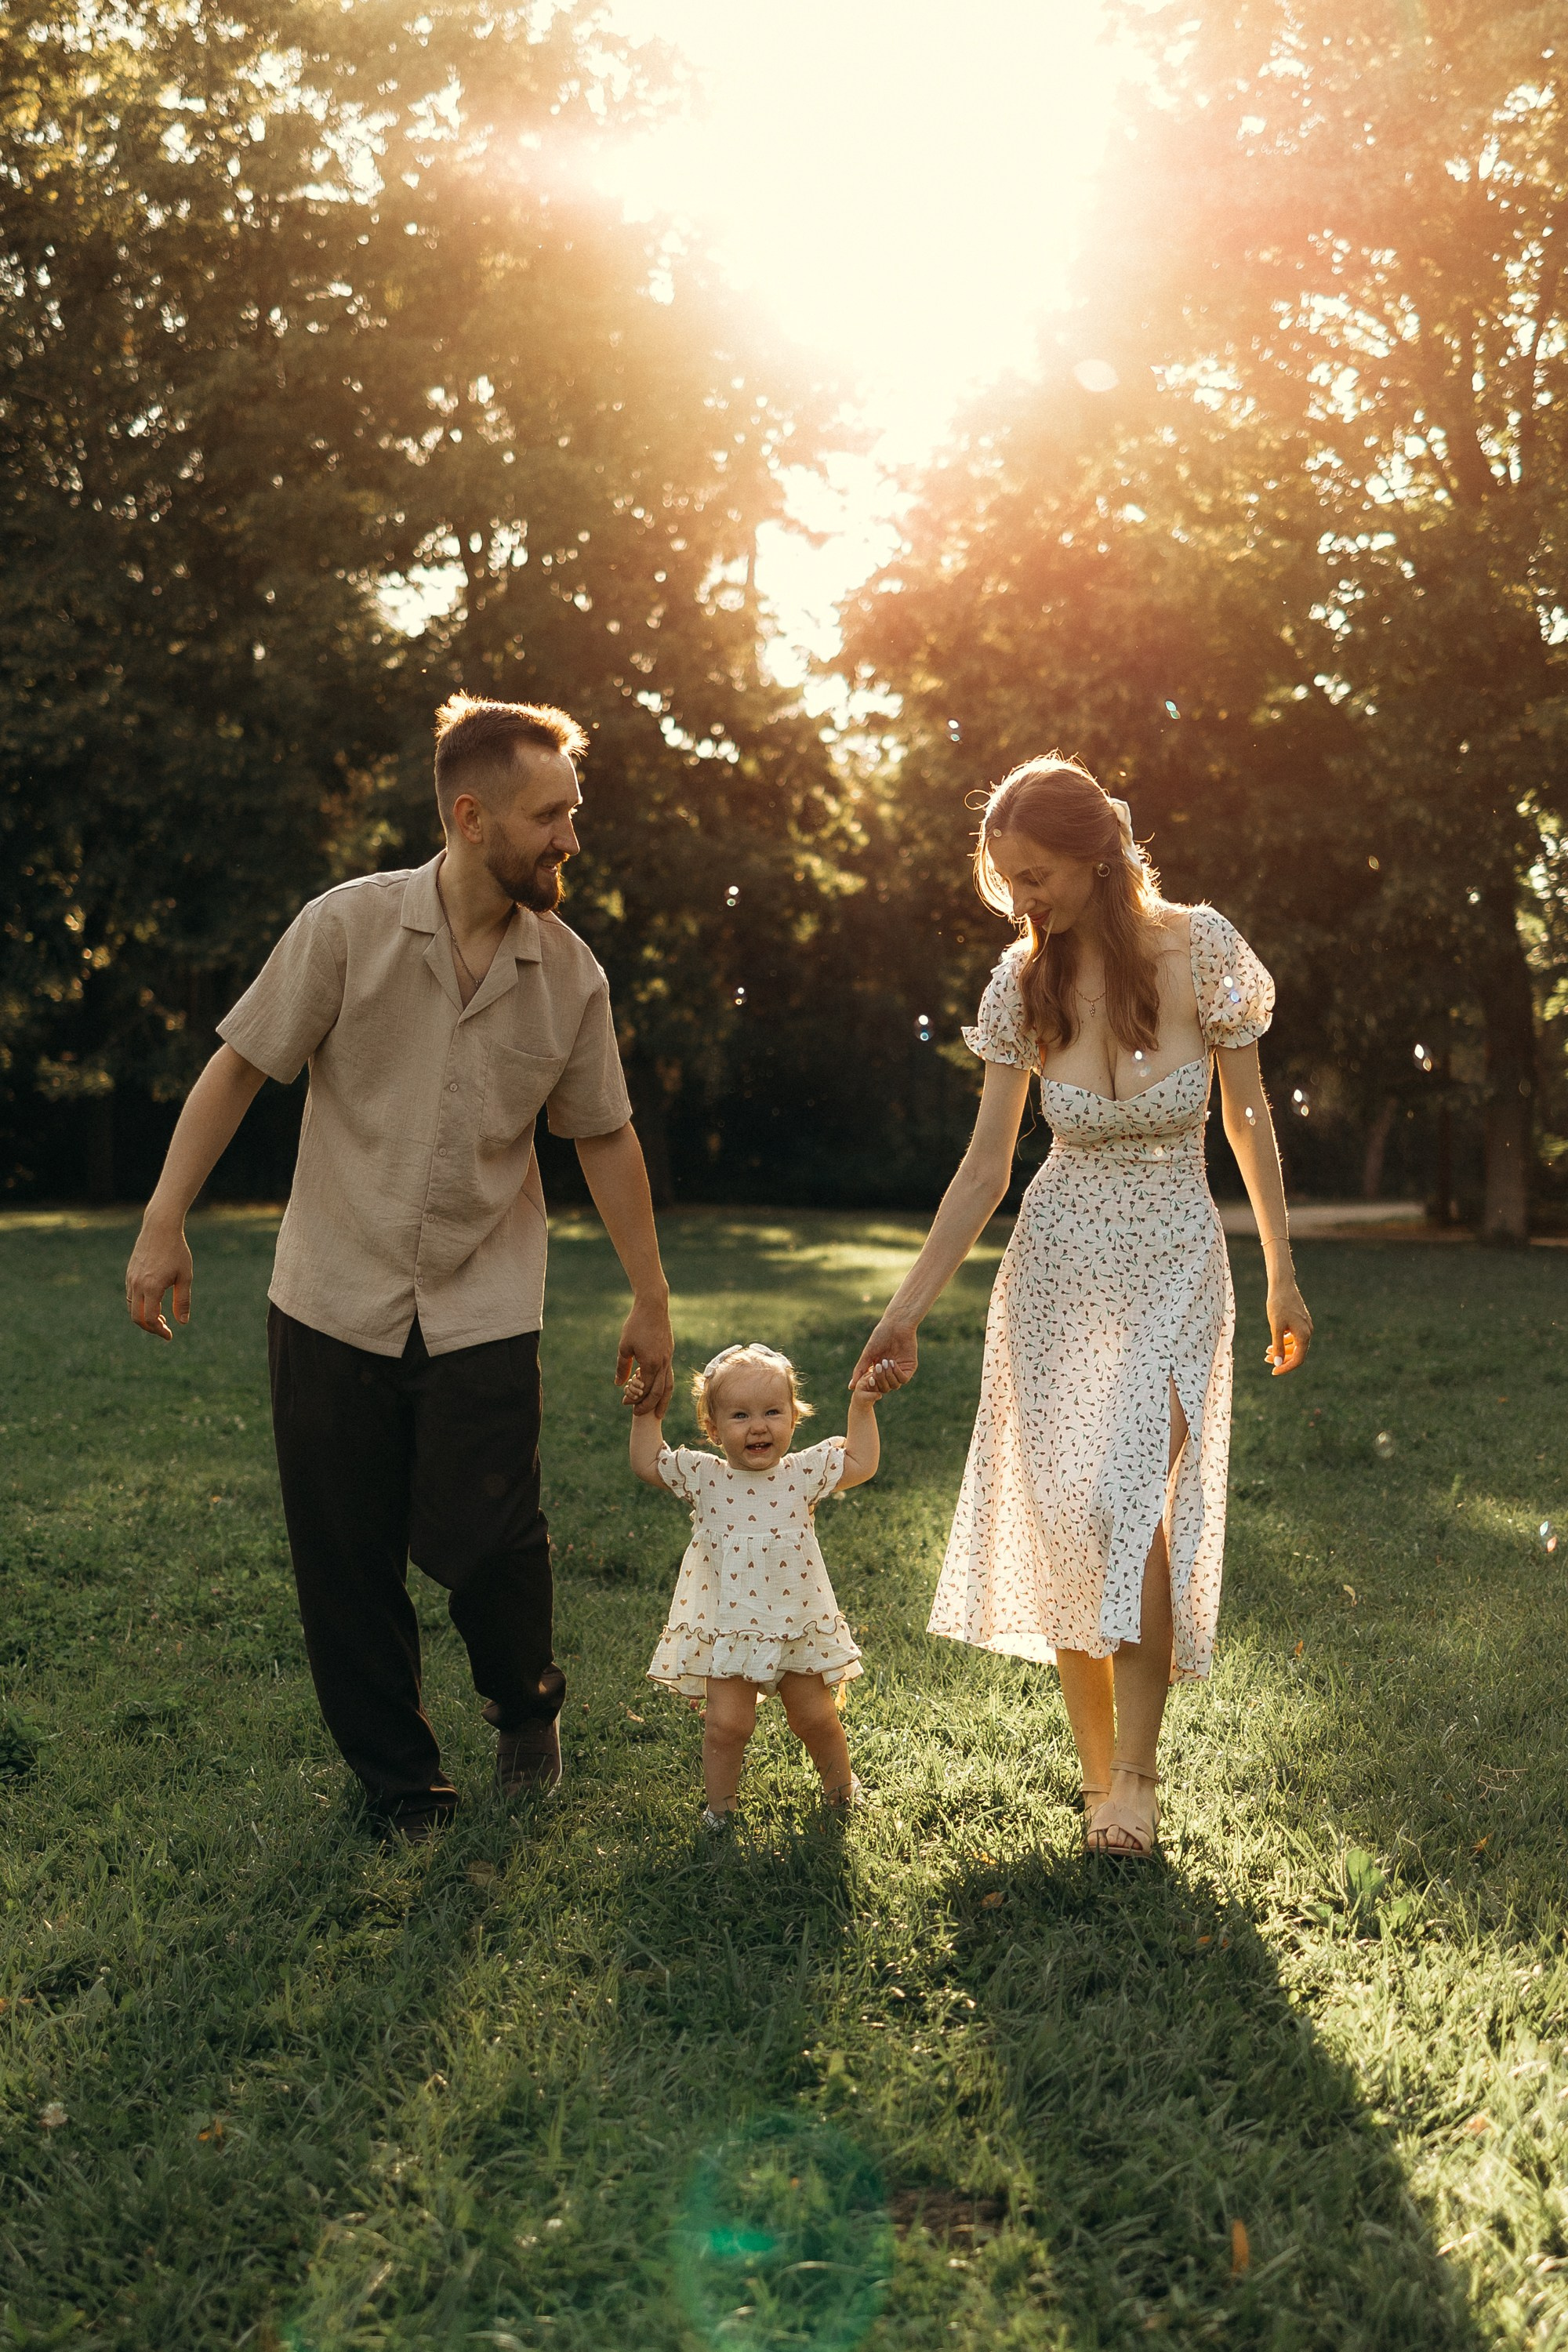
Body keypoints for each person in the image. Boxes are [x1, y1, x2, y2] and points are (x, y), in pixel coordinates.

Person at [124, 693, 674, 1839]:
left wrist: (650, 1293)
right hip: (331, 1285)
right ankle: (401, 1786)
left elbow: (603, 1131)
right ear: (472, 817)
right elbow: (239, 1067)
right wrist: (164, 1218)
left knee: (492, 1541)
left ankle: (525, 1707)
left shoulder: (570, 976)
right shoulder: (345, 929)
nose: (571, 837)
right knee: (346, 1554)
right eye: (548, 816)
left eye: (573, 811)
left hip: (483, 1293)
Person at [851, 755, 1312, 1859]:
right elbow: (983, 1169)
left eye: (1038, 874)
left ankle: (1139, 1778)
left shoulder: (1203, 949)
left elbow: (1248, 1122)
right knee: (1069, 1511)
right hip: (1058, 1261)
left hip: (1171, 1251)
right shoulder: (1022, 980)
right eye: (1009, 880)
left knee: (1128, 1500)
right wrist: (907, 1309)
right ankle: (1100, 1781)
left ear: (1099, 852)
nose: (1024, 900)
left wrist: (1282, 1270)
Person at [630, 1342, 886, 1826]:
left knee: (813, 1718)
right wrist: (648, 1410)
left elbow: (861, 1463)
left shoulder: (802, 1473)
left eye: (773, 1411)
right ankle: (719, 1813)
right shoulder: (706, 1477)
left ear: (794, 1416)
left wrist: (862, 1406)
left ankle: (842, 1795)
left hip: (794, 1621)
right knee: (728, 1724)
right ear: (713, 1428)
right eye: (740, 1415)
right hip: (728, 1626)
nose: (759, 1426)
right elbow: (648, 1463)